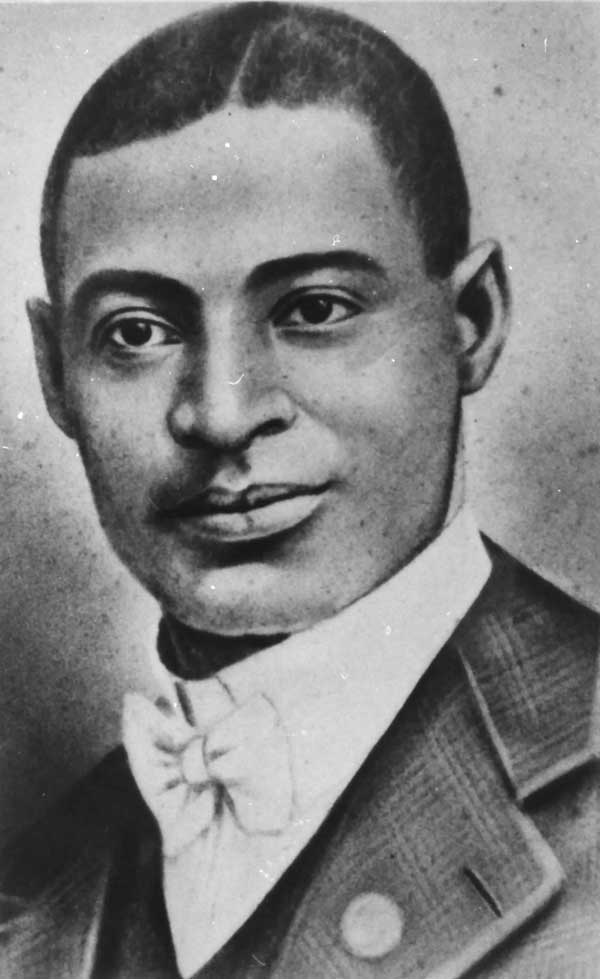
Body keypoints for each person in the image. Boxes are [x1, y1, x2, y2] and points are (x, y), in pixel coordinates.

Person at [1, 3, 598, 976]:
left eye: (316, 308)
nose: (223, 414)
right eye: (137, 332)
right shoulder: (36, 884)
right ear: (55, 375)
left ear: (473, 322)